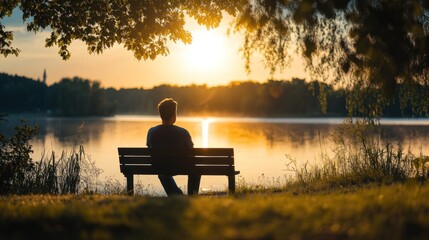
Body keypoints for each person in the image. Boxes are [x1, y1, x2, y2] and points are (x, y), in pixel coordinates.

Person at [146, 98, 201, 196]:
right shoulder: (183, 133)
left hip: (159, 166)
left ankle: (176, 194)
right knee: (195, 171)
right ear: (174, 116)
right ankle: (191, 197)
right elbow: (192, 155)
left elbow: (150, 148)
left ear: (160, 115)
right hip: (180, 166)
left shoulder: (152, 132)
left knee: (162, 171)